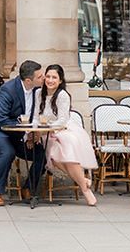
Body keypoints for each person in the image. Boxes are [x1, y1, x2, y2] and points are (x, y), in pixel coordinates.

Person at [0, 59, 47, 207]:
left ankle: (28, 189)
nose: (43, 78)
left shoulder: (38, 90)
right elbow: (1, 119)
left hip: (18, 136)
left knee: (41, 154)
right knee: (7, 152)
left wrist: (32, 133)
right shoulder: (8, 90)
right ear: (29, 80)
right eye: (40, 76)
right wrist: (25, 129)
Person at [39, 64, 98, 206]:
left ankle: (85, 190)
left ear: (60, 81)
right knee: (54, 158)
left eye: (54, 77)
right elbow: (36, 115)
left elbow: (62, 119)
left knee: (67, 147)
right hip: (45, 132)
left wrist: (50, 128)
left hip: (62, 128)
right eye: (48, 76)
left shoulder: (62, 95)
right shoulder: (38, 94)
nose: (50, 80)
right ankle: (83, 181)